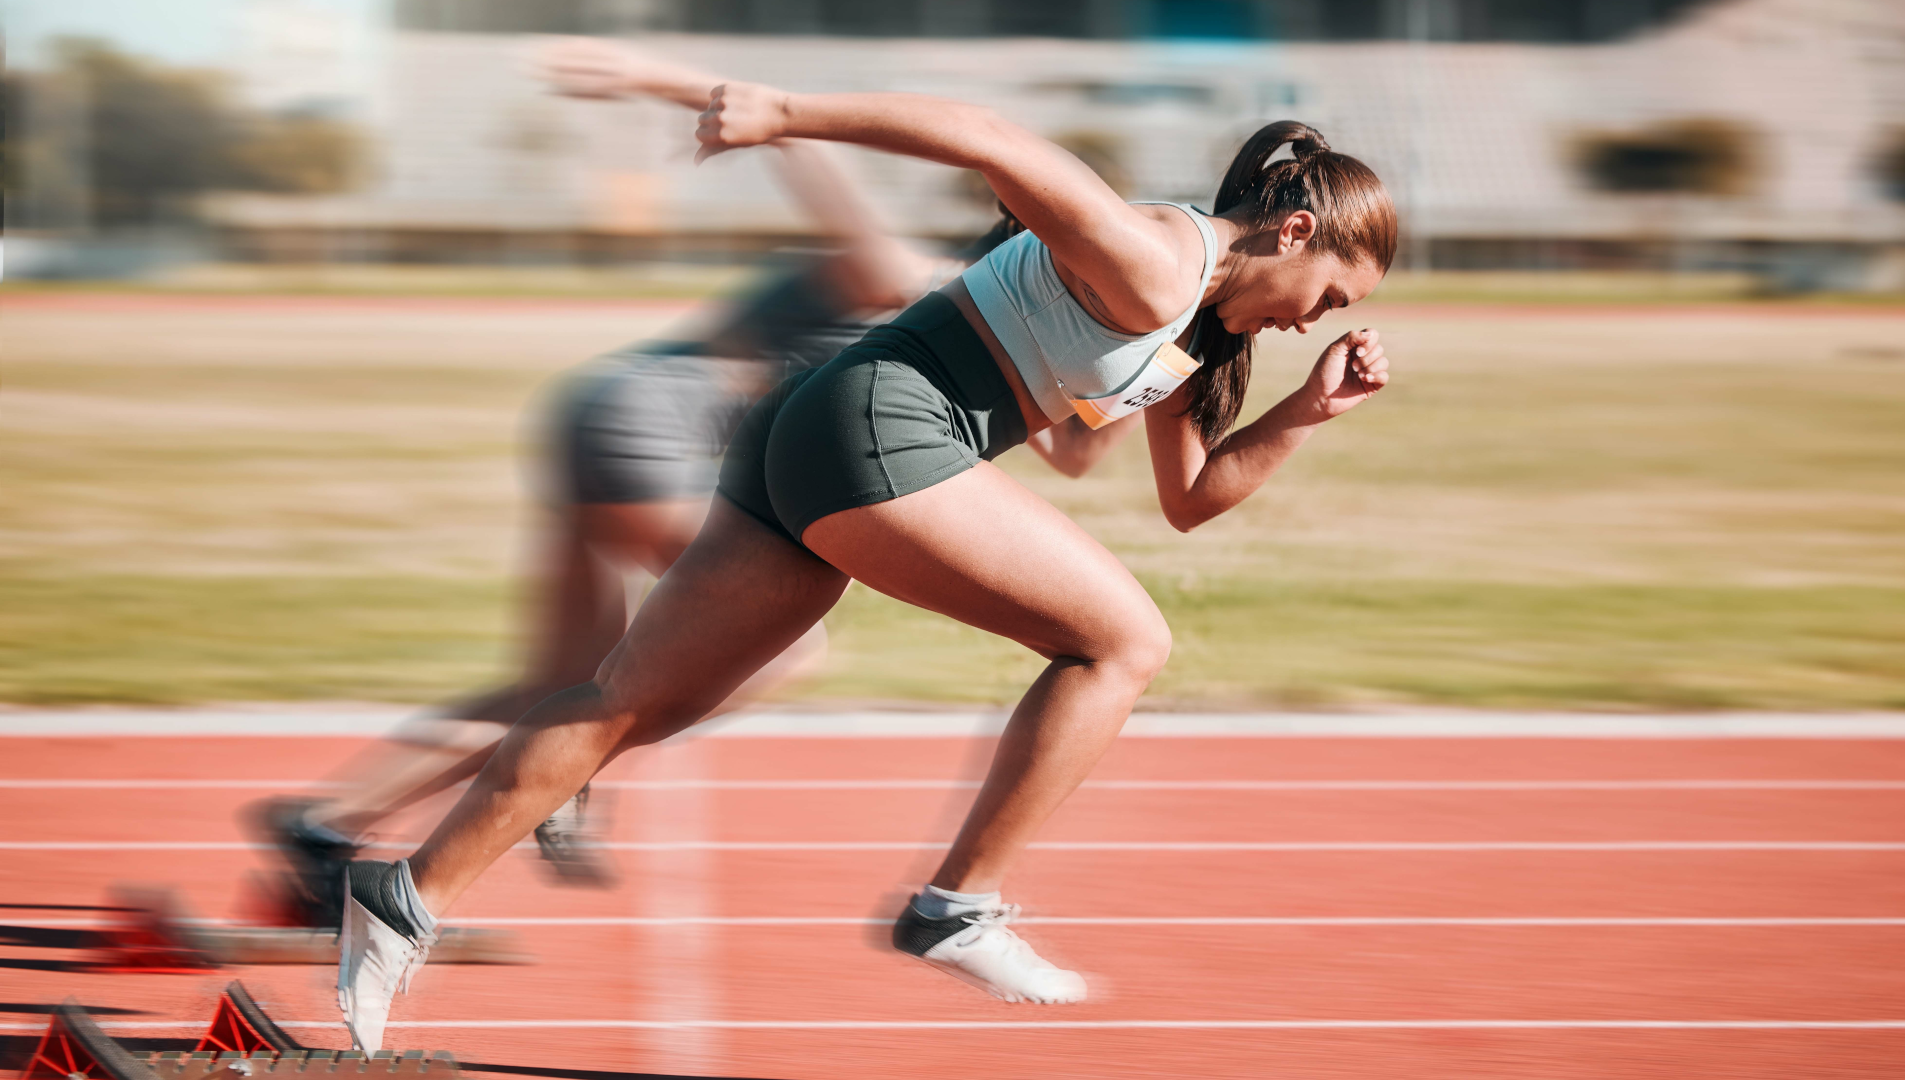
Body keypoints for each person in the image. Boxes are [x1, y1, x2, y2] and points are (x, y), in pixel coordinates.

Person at [333, 79, 1396, 1049]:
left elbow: (1181, 497)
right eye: (1330, 297)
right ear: (1297, 230)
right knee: (1125, 641)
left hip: (817, 430)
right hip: (878, 421)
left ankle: (402, 901)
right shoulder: (1159, 256)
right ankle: (956, 908)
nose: (1317, 324)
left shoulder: (1197, 334)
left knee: (627, 704)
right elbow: (990, 136)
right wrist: (783, 115)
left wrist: (1306, 410)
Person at [252, 40, 1134, 927]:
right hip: (647, 429)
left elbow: (1076, 453)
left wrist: (1149, 365)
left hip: (603, 414)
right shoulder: (923, 286)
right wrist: (668, 82)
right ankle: (558, 780)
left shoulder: (1016, 354)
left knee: (556, 683)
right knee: (776, 649)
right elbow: (808, 156)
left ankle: (323, 828)